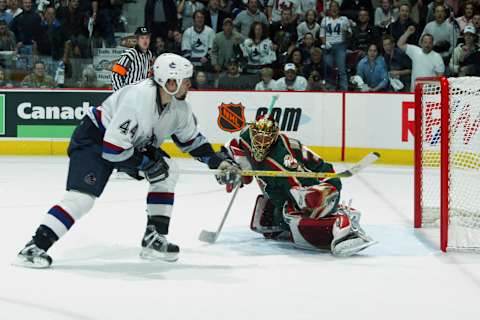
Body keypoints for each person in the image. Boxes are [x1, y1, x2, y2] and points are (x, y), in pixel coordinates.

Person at [14, 53, 241, 268]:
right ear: (170, 83)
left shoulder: (180, 108)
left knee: (168, 170)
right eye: (185, 81)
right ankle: (33, 247)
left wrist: (219, 162)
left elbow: (193, 143)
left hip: (130, 145)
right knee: (81, 199)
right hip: (95, 140)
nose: (189, 85)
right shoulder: (138, 98)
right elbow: (113, 149)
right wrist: (146, 164)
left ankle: (154, 238)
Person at [221, 114, 376, 255]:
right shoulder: (244, 141)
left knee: (301, 207)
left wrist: (307, 197)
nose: (262, 143)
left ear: (275, 137)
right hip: (281, 193)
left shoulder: (283, 155)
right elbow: (229, 154)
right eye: (258, 137)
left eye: (267, 138)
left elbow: (302, 181)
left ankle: (343, 224)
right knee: (280, 220)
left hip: (317, 184)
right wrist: (230, 169)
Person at [397, 25, 444, 91]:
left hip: (430, 93)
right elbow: (400, 44)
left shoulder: (437, 57)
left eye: (430, 43)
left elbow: (440, 77)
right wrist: (408, 32)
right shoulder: (415, 51)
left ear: (433, 44)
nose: (427, 45)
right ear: (421, 43)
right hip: (414, 91)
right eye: (425, 42)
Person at [320, 1, 351, 90]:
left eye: (335, 7)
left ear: (338, 9)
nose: (333, 8)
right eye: (331, 7)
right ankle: (330, 88)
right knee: (328, 68)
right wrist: (325, 43)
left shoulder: (344, 19)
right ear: (329, 9)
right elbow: (322, 35)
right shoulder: (325, 19)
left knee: (342, 68)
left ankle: (344, 89)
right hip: (328, 45)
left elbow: (349, 35)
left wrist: (346, 31)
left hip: (340, 45)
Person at [111, 27, 153, 91]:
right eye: (142, 38)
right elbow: (116, 75)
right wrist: (120, 93)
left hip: (142, 95)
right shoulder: (130, 54)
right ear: (137, 40)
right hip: (129, 94)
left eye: (147, 38)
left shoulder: (149, 55)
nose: (145, 41)